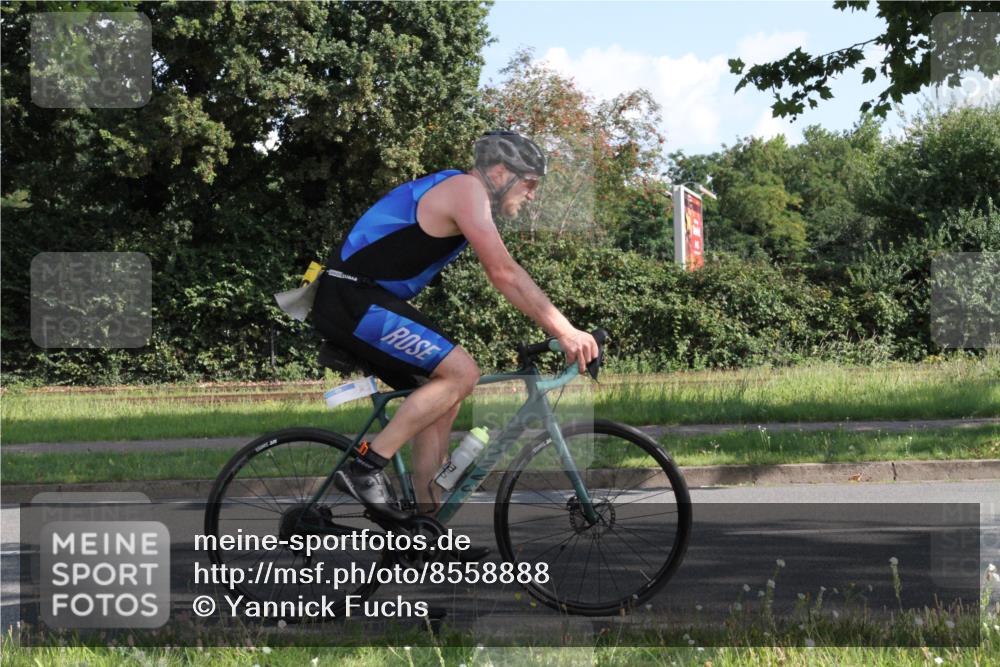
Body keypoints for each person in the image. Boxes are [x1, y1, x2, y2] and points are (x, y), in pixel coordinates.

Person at [310, 130, 599, 523]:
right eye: (529, 183)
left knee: (444, 397)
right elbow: (503, 272)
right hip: (353, 298)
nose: (532, 194)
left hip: (360, 299)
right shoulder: (466, 190)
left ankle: (427, 525)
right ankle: (367, 465)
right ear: (500, 172)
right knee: (462, 371)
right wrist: (566, 331)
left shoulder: (462, 192)